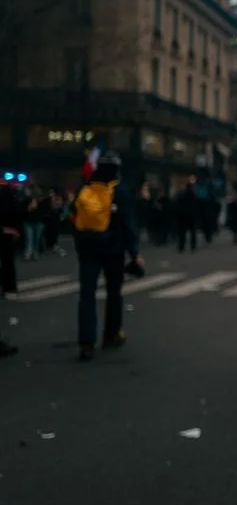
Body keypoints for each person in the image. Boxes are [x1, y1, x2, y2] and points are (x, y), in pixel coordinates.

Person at [72, 151, 143, 362]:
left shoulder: (85, 189)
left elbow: (75, 218)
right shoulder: (120, 191)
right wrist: (135, 253)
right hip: (113, 249)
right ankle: (111, 335)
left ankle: (86, 342)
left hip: (88, 249)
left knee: (87, 294)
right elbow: (129, 223)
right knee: (114, 292)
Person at [0, 181, 22, 298]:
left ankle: (4, 285)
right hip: (11, 234)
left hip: (3, 231)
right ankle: (10, 287)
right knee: (8, 263)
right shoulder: (14, 203)